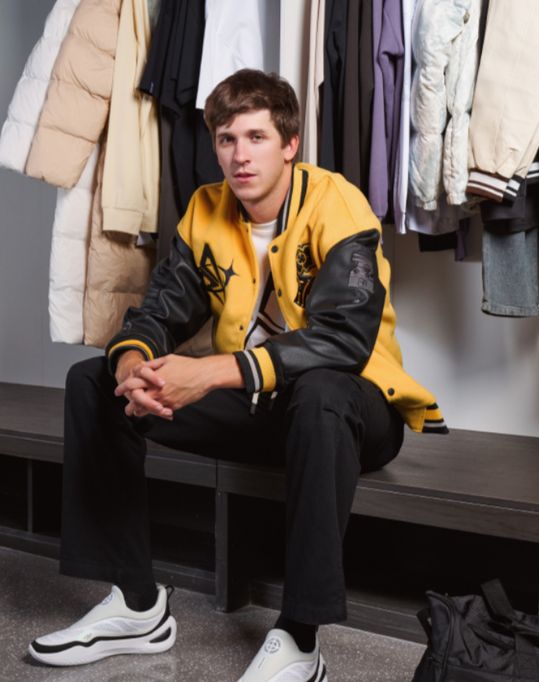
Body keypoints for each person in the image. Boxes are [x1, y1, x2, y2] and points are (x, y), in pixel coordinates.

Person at [28, 69, 447, 681]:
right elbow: (159, 311)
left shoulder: (338, 203)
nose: (240, 155)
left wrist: (210, 373)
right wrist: (133, 365)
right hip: (258, 410)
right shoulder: (206, 209)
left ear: (290, 143)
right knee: (93, 383)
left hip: (356, 415)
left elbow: (344, 339)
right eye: (227, 139)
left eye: (256, 137)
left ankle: (299, 637)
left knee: (322, 392)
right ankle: (137, 606)